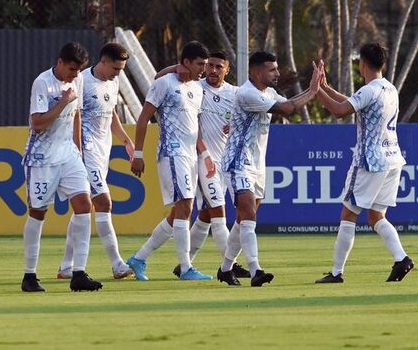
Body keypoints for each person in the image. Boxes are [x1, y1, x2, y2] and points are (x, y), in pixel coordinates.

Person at [218, 51, 320, 287]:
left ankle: (225, 269)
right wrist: (313, 90)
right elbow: (287, 109)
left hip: (257, 164)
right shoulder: (247, 93)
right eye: (271, 69)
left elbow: (285, 104)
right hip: (237, 161)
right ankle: (256, 270)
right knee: (249, 216)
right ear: (255, 72)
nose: (277, 73)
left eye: (276, 68)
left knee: (244, 218)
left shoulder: (269, 92)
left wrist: (314, 88)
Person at [314, 43, 413, 283]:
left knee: (349, 214)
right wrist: (327, 87)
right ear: (384, 64)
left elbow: (340, 111)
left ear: (362, 64)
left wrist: (316, 90)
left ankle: (337, 273)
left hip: (371, 160)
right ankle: (401, 259)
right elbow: (353, 103)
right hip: (393, 159)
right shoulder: (389, 88)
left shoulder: (369, 90)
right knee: (376, 216)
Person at [156, 52, 250, 280]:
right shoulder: (195, 86)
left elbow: (249, 118)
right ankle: (231, 265)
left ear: (227, 70)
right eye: (210, 66)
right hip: (200, 160)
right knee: (218, 210)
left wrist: (235, 126)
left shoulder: (235, 94)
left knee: (206, 215)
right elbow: (158, 77)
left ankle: (176, 263)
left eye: (219, 67)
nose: (213, 70)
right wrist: (176, 66)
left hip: (224, 161)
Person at [127, 41, 215, 281]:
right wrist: (138, 154)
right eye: (200, 64)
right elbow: (144, 118)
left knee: (179, 212)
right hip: (172, 151)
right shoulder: (164, 83)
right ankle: (186, 268)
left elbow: (194, 127)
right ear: (185, 62)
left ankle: (138, 258)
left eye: (205, 65)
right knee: (186, 206)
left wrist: (204, 154)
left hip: (190, 155)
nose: (203, 70)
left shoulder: (197, 89)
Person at [21, 41, 102, 292]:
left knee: (84, 204)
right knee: (38, 212)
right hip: (42, 156)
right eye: (71, 69)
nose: (75, 75)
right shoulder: (43, 83)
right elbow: (37, 123)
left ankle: (78, 272)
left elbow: (76, 114)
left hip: (68, 153)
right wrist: (63, 102)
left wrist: (77, 148)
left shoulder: (76, 81)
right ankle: (29, 276)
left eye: (78, 70)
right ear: (60, 62)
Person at [57, 43, 135, 280]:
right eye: (115, 68)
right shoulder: (82, 81)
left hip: (103, 151)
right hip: (85, 151)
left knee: (85, 209)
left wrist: (125, 140)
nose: (117, 73)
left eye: (121, 69)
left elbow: (111, 115)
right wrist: (76, 151)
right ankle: (117, 264)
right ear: (103, 61)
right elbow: (73, 116)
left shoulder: (114, 82)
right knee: (104, 203)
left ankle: (65, 266)